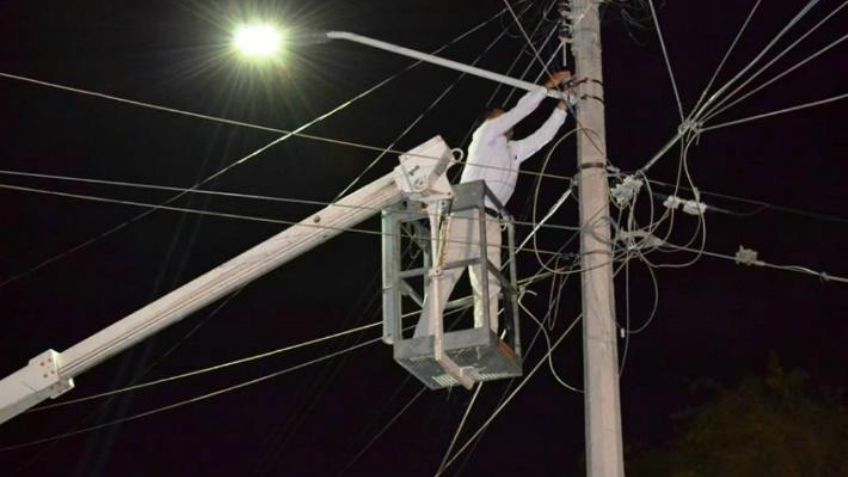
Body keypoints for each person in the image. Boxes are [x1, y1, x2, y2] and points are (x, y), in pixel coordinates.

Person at [414, 71, 572, 338]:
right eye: (501, 115)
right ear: (489, 120)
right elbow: (519, 112)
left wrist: (562, 107)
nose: (506, 118)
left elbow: (542, 137)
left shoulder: (513, 150)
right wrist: (546, 87)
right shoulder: (484, 134)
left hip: (491, 218)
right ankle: (425, 335)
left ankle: (486, 334)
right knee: (448, 273)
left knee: (489, 282)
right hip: (465, 212)